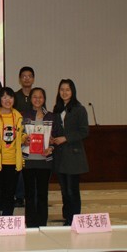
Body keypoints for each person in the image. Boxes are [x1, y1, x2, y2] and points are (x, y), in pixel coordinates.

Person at [52, 79, 89, 226]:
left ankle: (74, 219)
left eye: (67, 89)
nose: (64, 92)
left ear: (73, 91)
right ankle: (67, 216)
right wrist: (52, 138)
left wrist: (66, 138)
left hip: (73, 155)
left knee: (72, 189)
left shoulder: (80, 109)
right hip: (60, 155)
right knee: (64, 190)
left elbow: (84, 131)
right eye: (62, 89)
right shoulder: (57, 109)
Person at [21, 87, 57, 228]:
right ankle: (30, 224)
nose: (37, 99)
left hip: (44, 161)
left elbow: (56, 137)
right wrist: (23, 140)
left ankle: (42, 223)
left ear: (44, 99)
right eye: (34, 97)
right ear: (30, 99)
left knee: (42, 194)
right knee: (29, 194)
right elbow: (19, 134)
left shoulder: (51, 116)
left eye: (40, 97)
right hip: (28, 160)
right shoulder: (23, 116)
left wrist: (51, 148)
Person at [0, 87, 25, 216]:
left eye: (10, 97)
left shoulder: (18, 116)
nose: (7, 100)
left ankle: (7, 222)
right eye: (4, 97)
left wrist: (26, 138)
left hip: (13, 162)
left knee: (9, 195)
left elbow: (21, 135)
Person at [14, 66, 35, 207]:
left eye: (29, 76)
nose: (27, 79)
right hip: (19, 137)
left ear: (33, 79)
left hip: (35, 137)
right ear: (20, 79)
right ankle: (20, 196)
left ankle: (31, 195)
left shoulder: (37, 95)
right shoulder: (15, 97)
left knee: (33, 167)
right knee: (20, 168)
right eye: (24, 76)